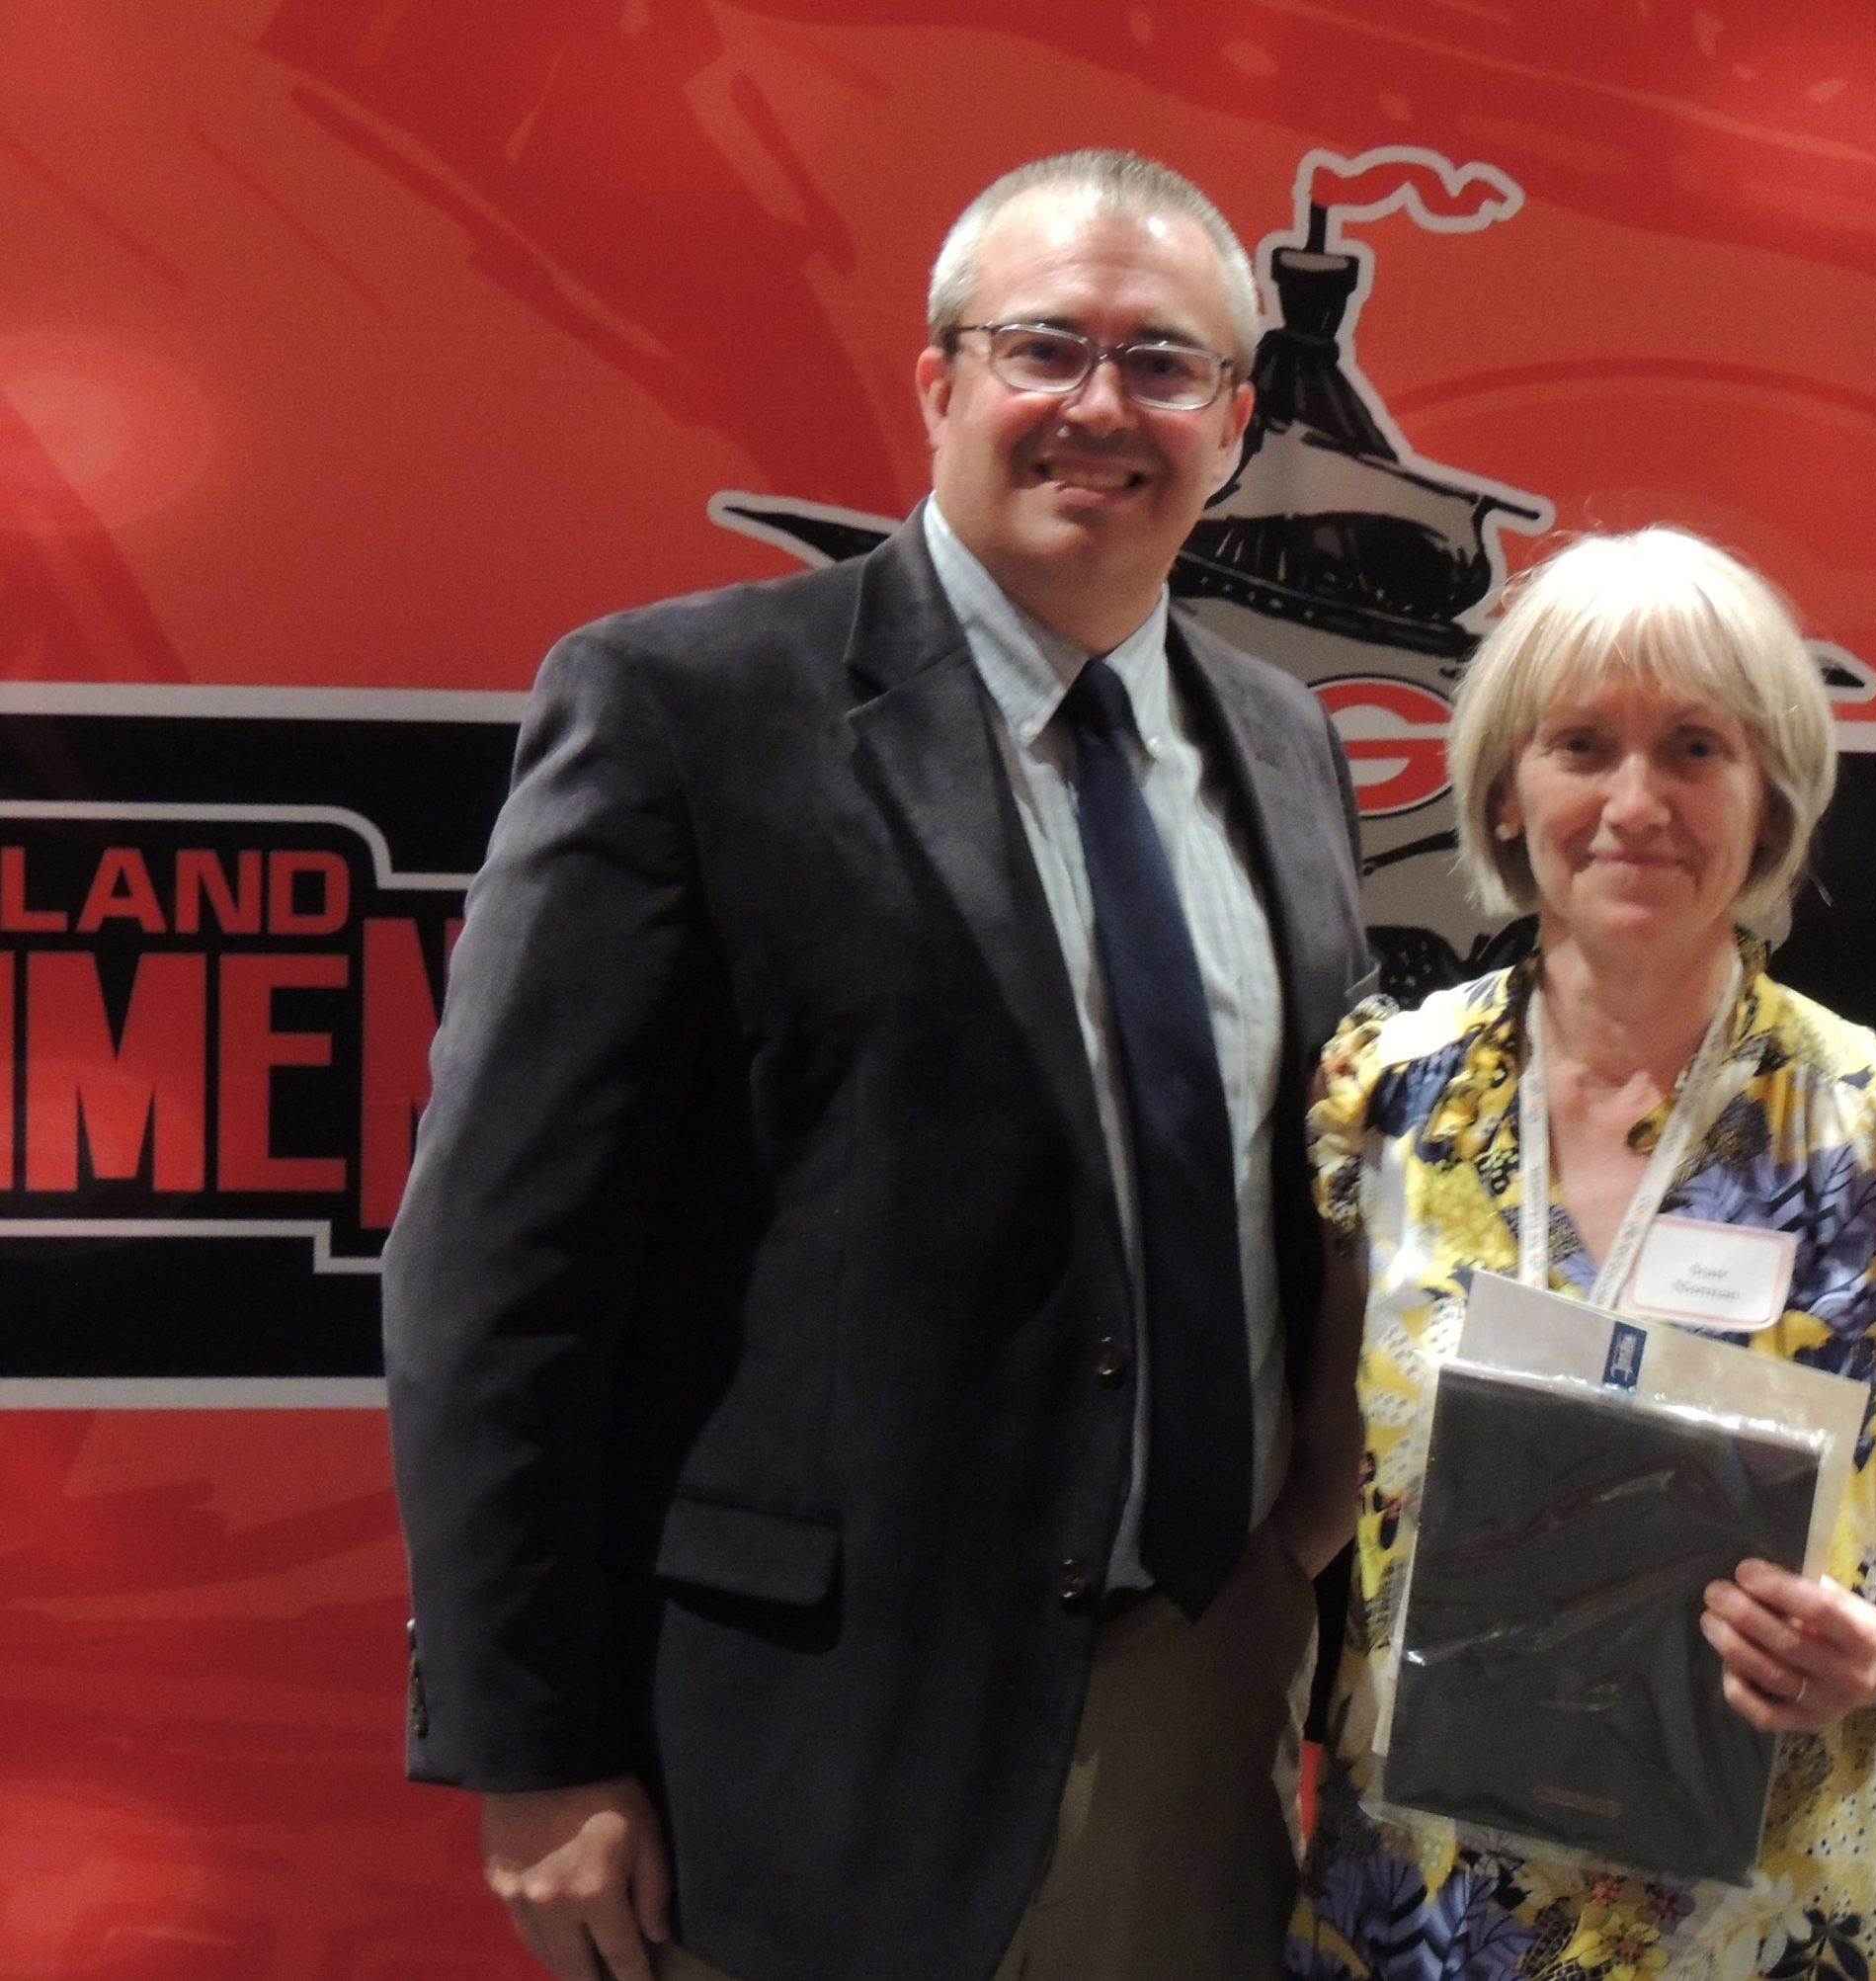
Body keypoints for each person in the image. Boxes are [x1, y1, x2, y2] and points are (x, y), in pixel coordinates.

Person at [384, 150, 1375, 1981]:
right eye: (1045, 347)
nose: (1102, 406)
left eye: (1165, 363)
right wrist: (532, 1741)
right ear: (937, 382)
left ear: (1237, 424)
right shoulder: (683, 710)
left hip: (1200, 1701)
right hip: (804, 1753)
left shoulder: (1285, 743)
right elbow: (495, 1273)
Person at [1289, 527, 1876, 1979]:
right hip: (1427, 1912)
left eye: (1696, 749)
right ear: (1506, 788)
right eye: (1582, 745)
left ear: (1769, 794)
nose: (1634, 803)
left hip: (1769, 1916)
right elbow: (1315, 1482)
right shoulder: (1388, 1103)